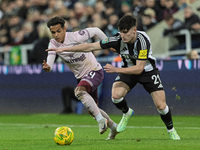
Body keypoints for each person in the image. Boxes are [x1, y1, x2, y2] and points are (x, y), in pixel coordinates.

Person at [46, 15, 181, 140]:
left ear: (134, 30)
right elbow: (90, 46)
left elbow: (139, 68)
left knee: (161, 105)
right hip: (127, 71)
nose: (122, 35)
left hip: (147, 72)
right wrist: (64, 50)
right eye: (120, 31)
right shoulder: (117, 39)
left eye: (125, 32)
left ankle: (171, 130)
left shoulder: (143, 41)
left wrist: (116, 69)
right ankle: (127, 113)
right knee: (116, 96)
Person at [42, 16, 118, 140]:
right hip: (81, 77)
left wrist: (108, 44)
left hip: (94, 70)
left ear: (64, 29)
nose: (56, 35)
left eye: (58, 31)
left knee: (79, 91)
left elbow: (96, 30)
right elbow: (50, 62)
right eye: (53, 32)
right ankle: (113, 127)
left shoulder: (76, 36)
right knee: (93, 110)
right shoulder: (53, 43)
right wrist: (48, 67)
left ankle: (100, 121)